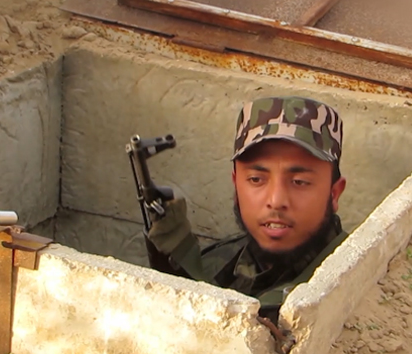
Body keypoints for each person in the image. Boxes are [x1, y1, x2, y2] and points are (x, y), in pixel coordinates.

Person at [145, 96, 349, 327]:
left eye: (299, 182)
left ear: (334, 194)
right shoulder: (216, 263)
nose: (276, 201)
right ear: (236, 188)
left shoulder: (349, 290)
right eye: (256, 179)